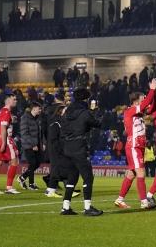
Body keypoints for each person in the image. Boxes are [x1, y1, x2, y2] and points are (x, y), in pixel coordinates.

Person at [114, 78, 156, 210]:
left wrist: (153, 94)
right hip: (134, 145)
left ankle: (120, 200)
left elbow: (152, 107)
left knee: (131, 174)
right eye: (142, 98)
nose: (145, 99)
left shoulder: (137, 112)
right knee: (141, 172)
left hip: (138, 146)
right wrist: (152, 90)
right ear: (136, 100)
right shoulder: (130, 110)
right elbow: (146, 105)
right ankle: (144, 202)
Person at [60, 88, 103, 216]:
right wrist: (95, 112)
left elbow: (64, 128)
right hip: (79, 147)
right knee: (88, 177)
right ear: (86, 99)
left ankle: (65, 207)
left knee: (72, 177)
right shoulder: (85, 112)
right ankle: (87, 207)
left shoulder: (67, 112)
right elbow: (97, 124)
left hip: (67, 147)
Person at [0, 93, 20, 195]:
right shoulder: (6, 112)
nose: (16, 101)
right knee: (14, 161)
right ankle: (9, 187)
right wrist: (4, 143)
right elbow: (3, 128)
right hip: (6, 140)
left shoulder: (1, 111)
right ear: (8, 101)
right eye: (14, 99)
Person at [18, 102, 45, 191]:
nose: (40, 110)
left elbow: (40, 133)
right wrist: (32, 144)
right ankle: (31, 184)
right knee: (33, 163)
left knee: (37, 163)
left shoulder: (37, 118)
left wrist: (42, 143)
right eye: (39, 108)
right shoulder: (25, 118)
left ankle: (23, 177)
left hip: (37, 144)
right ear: (33, 108)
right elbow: (24, 134)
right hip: (28, 145)